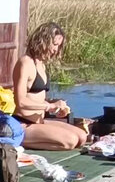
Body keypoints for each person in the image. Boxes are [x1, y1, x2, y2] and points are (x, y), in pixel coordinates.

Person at [12, 22, 88, 150]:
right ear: (43, 40)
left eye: (58, 46)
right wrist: (49, 106)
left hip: (39, 121)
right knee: (70, 141)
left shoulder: (41, 64)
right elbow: (21, 102)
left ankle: (41, 137)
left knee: (82, 137)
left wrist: (56, 106)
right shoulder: (25, 63)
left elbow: (37, 97)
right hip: (24, 123)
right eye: (54, 44)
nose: (56, 50)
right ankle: (18, 139)